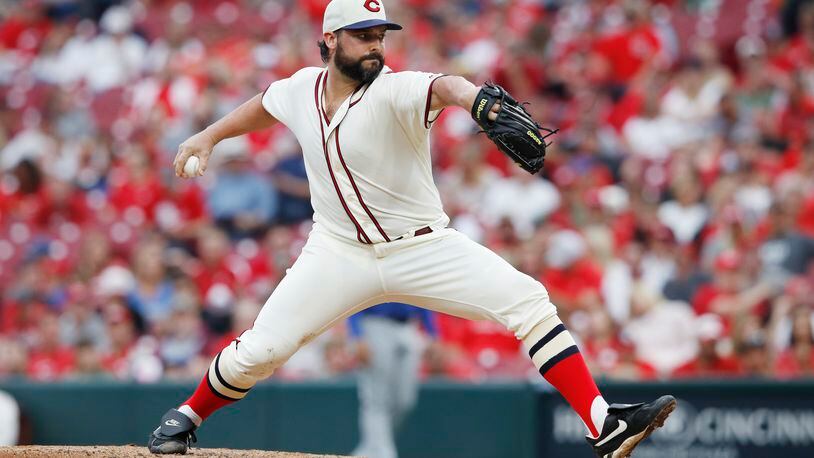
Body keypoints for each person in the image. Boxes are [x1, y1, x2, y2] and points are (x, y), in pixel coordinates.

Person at [148, 1, 675, 457]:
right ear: (330, 39)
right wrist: (208, 136)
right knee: (260, 350)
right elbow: (264, 105)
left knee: (529, 301)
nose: (375, 46)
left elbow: (442, 86)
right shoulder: (301, 88)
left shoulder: (395, 91)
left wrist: (476, 102)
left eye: (380, 35)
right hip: (337, 253)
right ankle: (188, 416)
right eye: (362, 36)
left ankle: (602, 425)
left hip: (422, 247)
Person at [348, 303, 437, 458]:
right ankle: (384, 453)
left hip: (408, 327)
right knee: (376, 398)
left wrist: (432, 333)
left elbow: (422, 296)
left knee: (405, 400)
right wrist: (357, 335)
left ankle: (368, 449)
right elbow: (355, 297)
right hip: (375, 324)